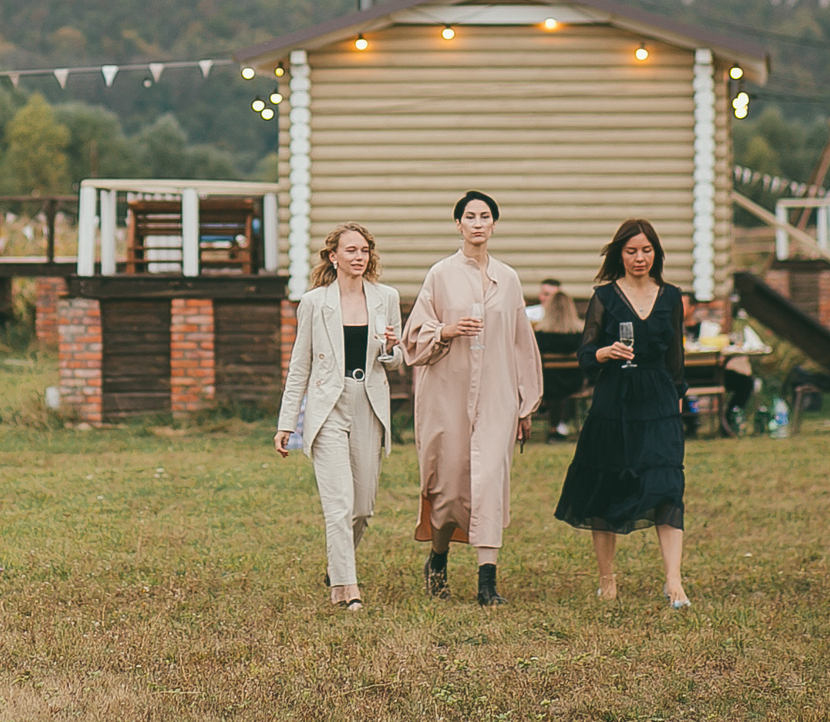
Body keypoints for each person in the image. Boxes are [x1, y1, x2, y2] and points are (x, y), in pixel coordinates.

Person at [401, 191, 542, 606]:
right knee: (448, 486)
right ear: (458, 225)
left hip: (497, 395)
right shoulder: (440, 275)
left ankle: (487, 583)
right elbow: (414, 339)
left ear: (494, 224)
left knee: (490, 481)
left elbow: (521, 343)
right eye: (470, 216)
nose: (477, 223)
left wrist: (525, 404)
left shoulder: (509, 279)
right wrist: (445, 330)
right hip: (448, 392)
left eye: (485, 216)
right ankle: (439, 557)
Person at [552, 219, 691, 608]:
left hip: (659, 402)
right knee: (606, 489)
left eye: (646, 250)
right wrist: (604, 353)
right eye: (631, 251)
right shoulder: (605, 297)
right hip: (614, 402)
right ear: (620, 255)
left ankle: (674, 583)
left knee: (667, 487)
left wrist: (677, 399)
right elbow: (584, 354)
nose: (639, 258)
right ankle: (607, 581)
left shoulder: (671, 297)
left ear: (656, 254)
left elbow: (675, 358)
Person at [275, 224, 403, 609]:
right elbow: (300, 366)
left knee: (363, 507)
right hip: (328, 405)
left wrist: (391, 349)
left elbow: (396, 362)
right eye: (350, 250)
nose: (359, 256)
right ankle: (346, 590)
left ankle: (338, 563)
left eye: (364, 250)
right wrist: (286, 423)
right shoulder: (314, 302)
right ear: (333, 256)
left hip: (369, 402)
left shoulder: (387, 298)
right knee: (338, 504)